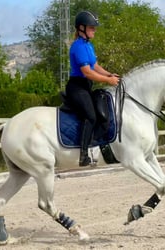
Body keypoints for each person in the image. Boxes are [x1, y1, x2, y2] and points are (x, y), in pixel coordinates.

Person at [66, 10, 119, 166]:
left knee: (102, 113)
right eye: (91, 27)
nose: (94, 30)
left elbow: (95, 66)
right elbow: (87, 72)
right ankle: (83, 155)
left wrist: (110, 75)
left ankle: (98, 145)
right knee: (91, 116)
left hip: (85, 86)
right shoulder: (78, 46)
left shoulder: (88, 45)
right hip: (77, 87)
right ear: (81, 28)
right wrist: (108, 81)